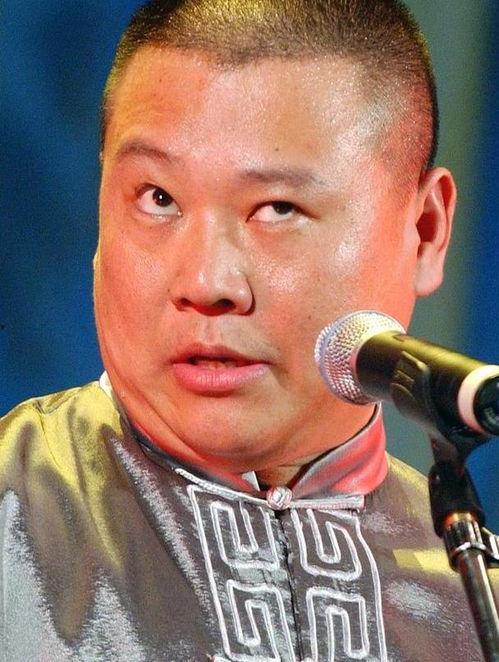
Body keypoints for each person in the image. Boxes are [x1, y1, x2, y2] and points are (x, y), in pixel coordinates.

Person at [0, 0, 495, 659]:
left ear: (426, 230)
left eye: (277, 208)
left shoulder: (474, 600)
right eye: (157, 198)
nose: (206, 281)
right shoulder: (13, 515)